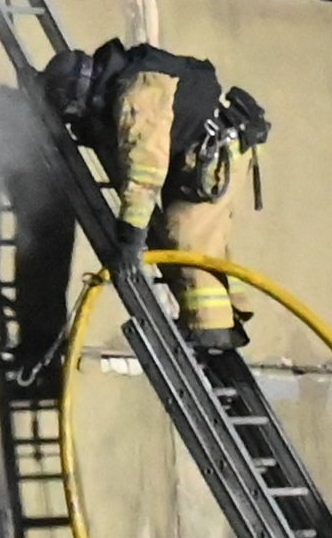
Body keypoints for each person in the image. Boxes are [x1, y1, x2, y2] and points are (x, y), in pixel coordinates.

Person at [24, 35, 270, 364]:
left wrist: (129, 239)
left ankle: (211, 330)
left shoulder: (137, 96)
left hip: (214, 154)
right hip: (197, 151)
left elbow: (144, 170)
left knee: (186, 236)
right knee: (204, 240)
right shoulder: (121, 82)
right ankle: (227, 316)